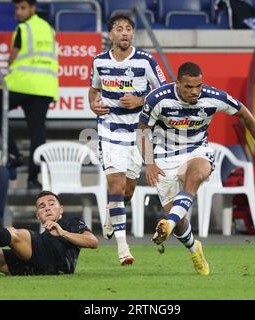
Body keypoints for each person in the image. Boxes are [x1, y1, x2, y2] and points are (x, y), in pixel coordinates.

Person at [136, 62, 255, 275]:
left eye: (198, 86)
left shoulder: (213, 97)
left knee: (196, 174)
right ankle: (193, 247)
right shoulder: (157, 99)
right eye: (188, 87)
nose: (195, 92)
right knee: (180, 221)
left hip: (196, 151)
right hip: (164, 157)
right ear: (178, 83)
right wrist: (149, 163)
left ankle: (168, 225)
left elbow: (244, 113)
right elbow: (142, 131)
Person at [88, 13, 167, 265]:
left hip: (139, 131)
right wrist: (93, 104)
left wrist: (140, 100)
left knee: (129, 190)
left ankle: (112, 215)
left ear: (133, 34)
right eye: (119, 29)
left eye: (128, 29)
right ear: (110, 34)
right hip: (110, 130)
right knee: (116, 186)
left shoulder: (146, 61)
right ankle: (123, 249)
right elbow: (94, 89)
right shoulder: (99, 61)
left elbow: (165, 91)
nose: (124, 32)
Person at [0, 0, 58, 190]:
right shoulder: (49, 29)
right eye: (17, 8)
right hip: (44, 87)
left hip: (21, 83)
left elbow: (13, 57)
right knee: (37, 133)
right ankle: (34, 179)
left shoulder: (23, 28)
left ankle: (13, 154)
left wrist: (12, 63)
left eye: (23, 8)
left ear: (32, 8)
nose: (18, 12)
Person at [0, 190, 98, 277]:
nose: (47, 208)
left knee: (16, 234)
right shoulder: (39, 238)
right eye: (42, 206)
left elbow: (93, 242)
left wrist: (64, 233)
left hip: (55, 264)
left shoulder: (70, 223)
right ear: (38, 216)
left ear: (61, 209)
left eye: (52, 204)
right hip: (29, 266)